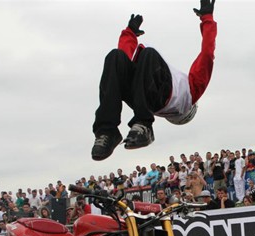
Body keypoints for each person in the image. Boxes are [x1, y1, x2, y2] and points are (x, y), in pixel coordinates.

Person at [91, 0, 218, 160]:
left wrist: (207, 18)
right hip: (144, 96)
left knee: (143, 55)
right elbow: (123, 63)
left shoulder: (192, 93)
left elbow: (207, 53)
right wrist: (130, 33)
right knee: (115, 58)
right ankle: (110, 133)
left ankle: (113, 128)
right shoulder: (151, 100)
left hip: (156, 94)